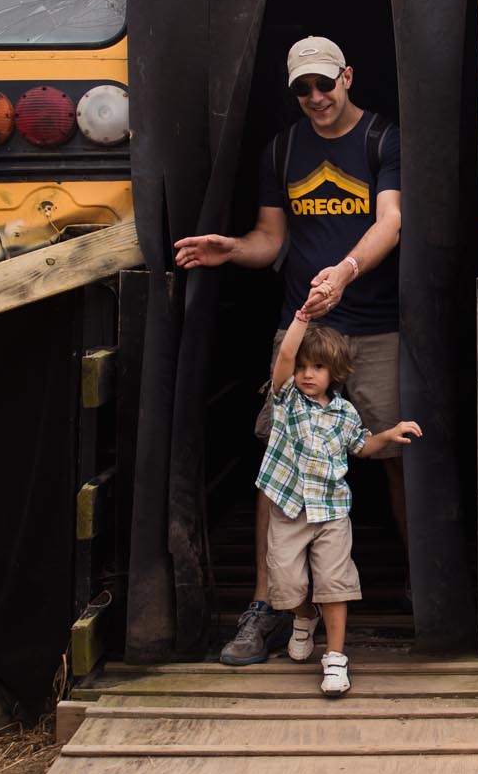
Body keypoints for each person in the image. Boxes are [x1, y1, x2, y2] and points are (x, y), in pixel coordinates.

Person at [173, 37, 406, 666]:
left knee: (393, 453)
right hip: (303, 326)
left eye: (324, 85)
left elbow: (390, 220)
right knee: (278, 462)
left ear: (347, 77)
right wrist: (233, 249)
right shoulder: (281, 150)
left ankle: (421, 589)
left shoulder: (382, 139)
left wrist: (345, 271)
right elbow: (271, 241)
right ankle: (266, 607)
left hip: (374, 321)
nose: (315, 98)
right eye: (302, 89)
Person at [255, 311, 421, 696]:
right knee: (286, 584)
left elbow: (362, 446)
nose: (307, 374)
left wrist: (389, 434)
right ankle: (304, 616)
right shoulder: (287, 400)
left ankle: (334, 657)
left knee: (334, 583)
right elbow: (283, 360)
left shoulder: (344, 413)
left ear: (336, 373)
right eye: (302, 367)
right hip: (290, 510)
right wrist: (300, 319)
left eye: (317, 367)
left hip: (330, 512)